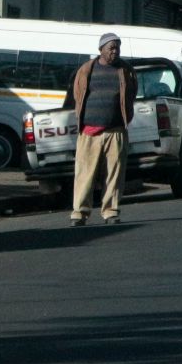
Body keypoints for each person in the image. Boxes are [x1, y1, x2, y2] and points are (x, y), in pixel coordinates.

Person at [64, 33, 135, 226]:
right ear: (101, 49)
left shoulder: (126, 70)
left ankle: (110, 212)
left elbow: (131, 94)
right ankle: (79, 213)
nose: (115, 51)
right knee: (84, 174)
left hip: (115, 130)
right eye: (111, 48)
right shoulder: (86, 69)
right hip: (88, 132)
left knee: (114, 174)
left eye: (117, 48)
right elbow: (76, 94)